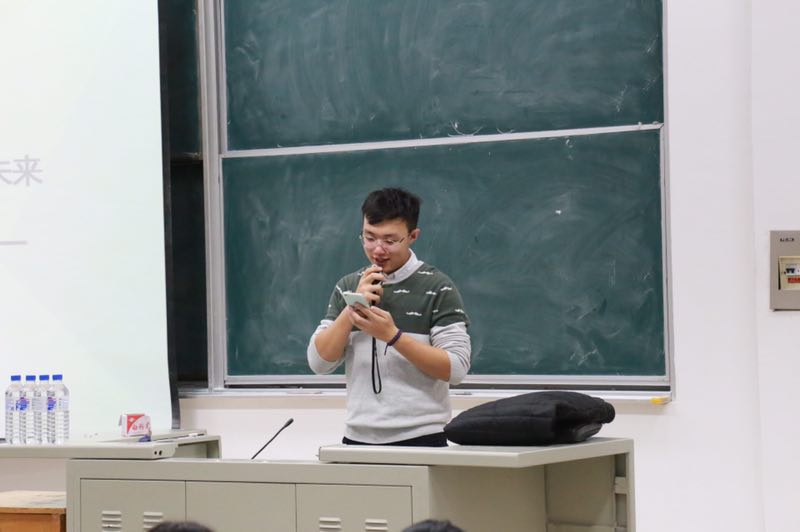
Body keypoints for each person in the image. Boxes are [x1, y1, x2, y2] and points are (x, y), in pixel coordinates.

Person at [307, 187, 471, 446]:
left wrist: (392, 336)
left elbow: (456, 369)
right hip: (357, 437)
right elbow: (319, 363)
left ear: (413, 236)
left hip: (421, 437)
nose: (378, 250)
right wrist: (352, 309)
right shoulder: (348, 286)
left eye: (390, 241)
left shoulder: (438, 287)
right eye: (369, 237)